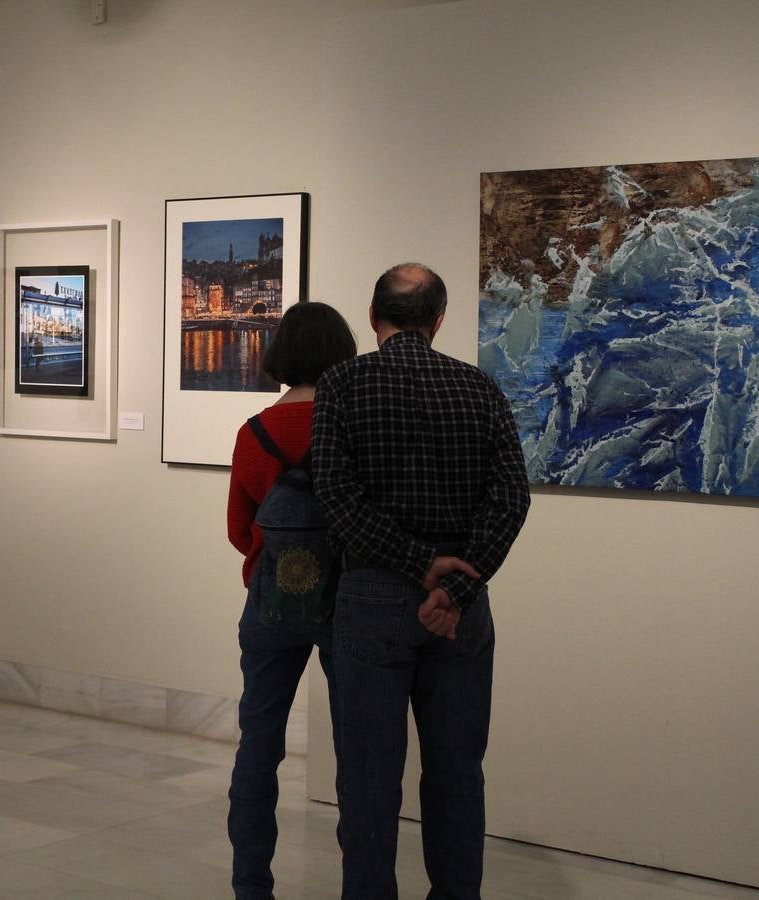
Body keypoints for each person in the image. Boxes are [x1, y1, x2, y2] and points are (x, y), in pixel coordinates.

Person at [312, 263, 531, 899]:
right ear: (439, 322)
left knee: (369, 781)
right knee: (458, 775)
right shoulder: (480, 389)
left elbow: (337, 497)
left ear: (373, 314)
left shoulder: (342, 385)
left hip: (372, 600)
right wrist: (453, 585)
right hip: (461, 613)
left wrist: (413, 563)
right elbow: (510, 500)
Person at [226, 301, 358, 900]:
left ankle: (251, 886)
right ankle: (360, 881)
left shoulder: (253, 435)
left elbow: (238, 530)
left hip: (270, 602)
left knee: (258, 748)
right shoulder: (355, 427)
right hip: (347, 604)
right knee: (360, 752)